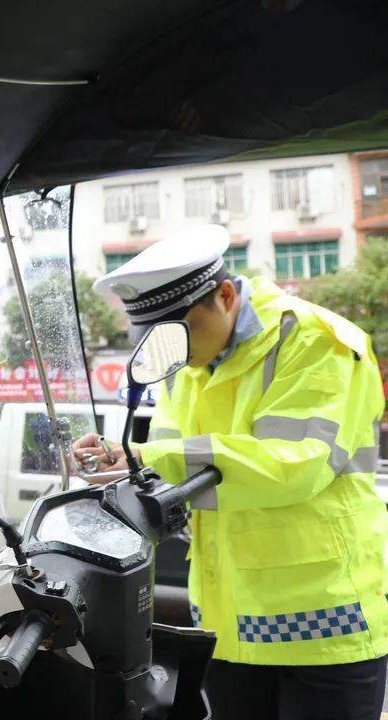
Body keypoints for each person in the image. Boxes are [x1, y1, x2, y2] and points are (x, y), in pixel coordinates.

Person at [73, 224, 387, 719]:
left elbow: (295, 465)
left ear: (223, 296)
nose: (175, 354)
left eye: (179, 334)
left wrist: (149, 458)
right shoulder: (190, 364)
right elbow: (177, 469)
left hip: (324, 625)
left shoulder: (315, 341)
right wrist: (125, 466)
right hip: (229, 624)